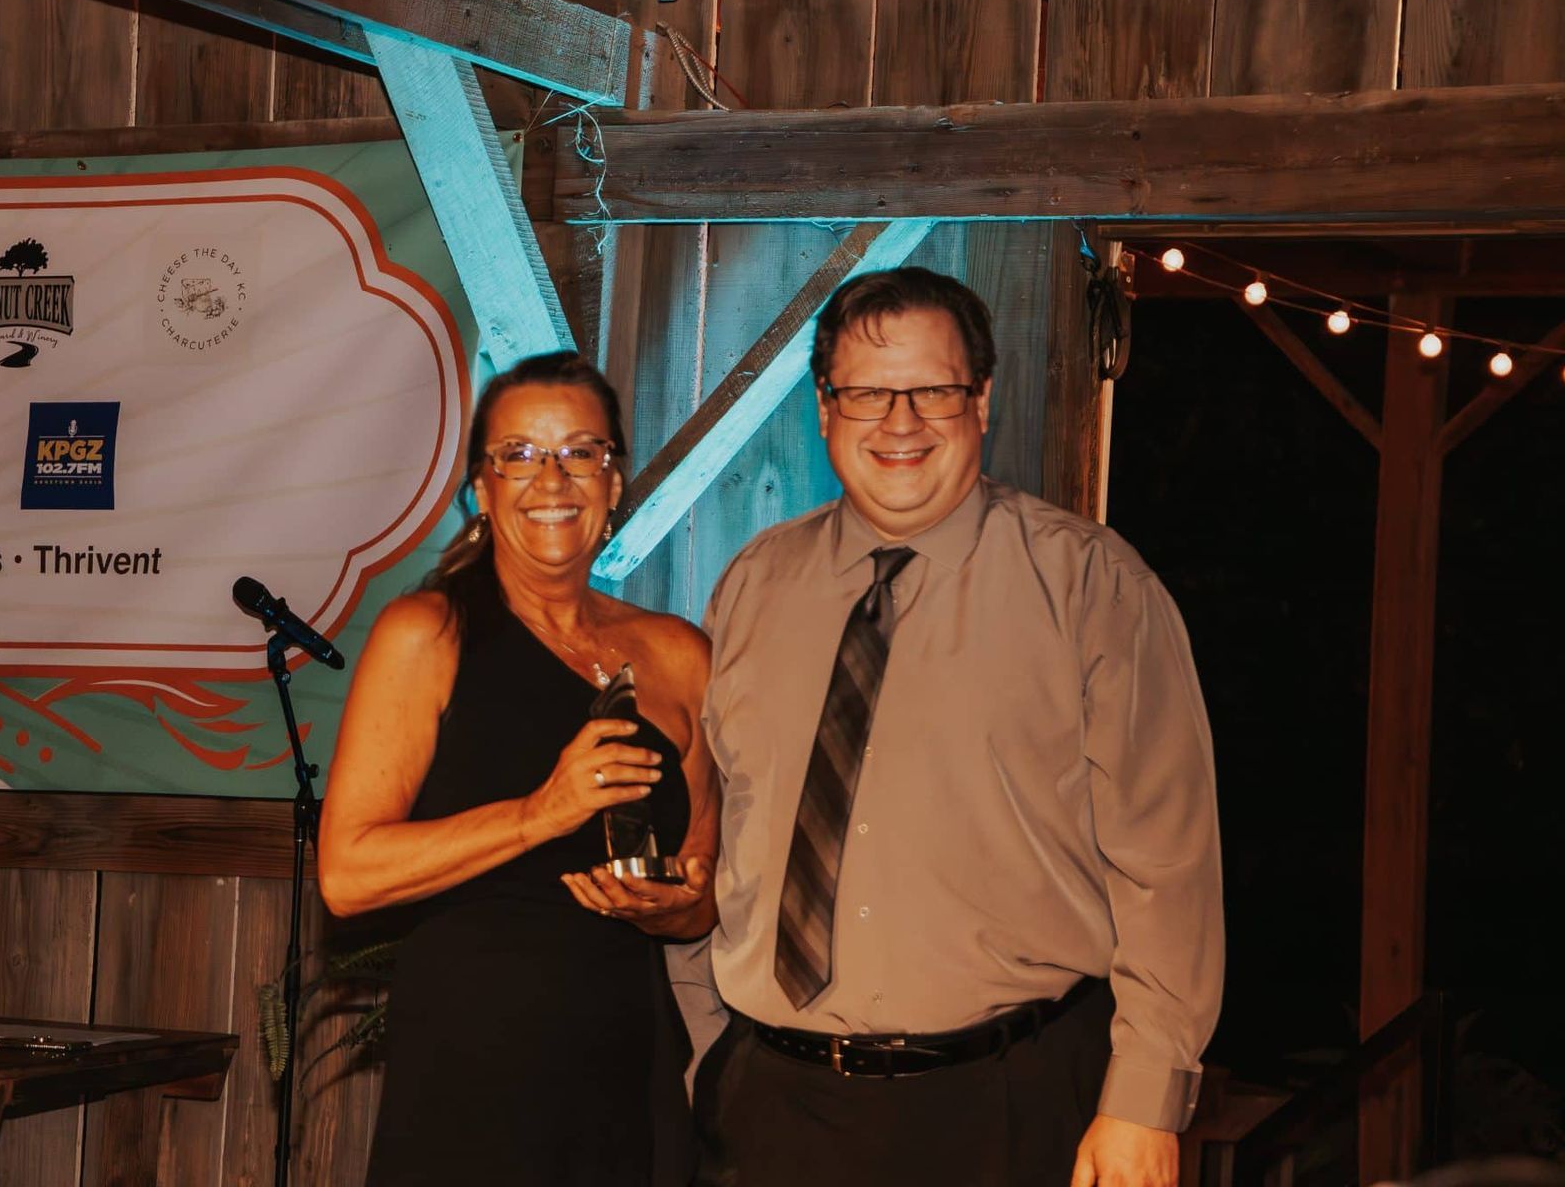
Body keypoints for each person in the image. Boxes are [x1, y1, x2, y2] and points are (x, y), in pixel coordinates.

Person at [691, 267, 1223, 1187]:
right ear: (824, 409)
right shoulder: (753, 584)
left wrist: (1144, 1102)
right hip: (771, 1109)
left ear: (981, 401)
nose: (900, 423)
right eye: (867, 393)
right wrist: (707, 1049)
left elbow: (1168, 867)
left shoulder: (1092, 587)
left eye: (932, 390)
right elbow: (725, 831)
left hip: (1005, 1107)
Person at [320, 351, 720, 1187]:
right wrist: (543, 811)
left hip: (631, 1062)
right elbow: (348, 876)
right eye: (521, 455)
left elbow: (704, 892)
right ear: (482, 489)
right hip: (476, 1069)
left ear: (613, 482)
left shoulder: (681, 654)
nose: (553, 478)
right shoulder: (428, 633)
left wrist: (672, 906)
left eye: (580, 452)